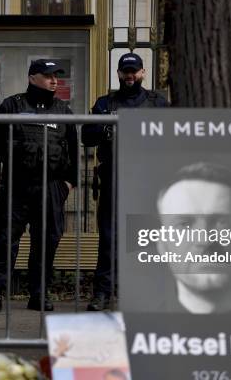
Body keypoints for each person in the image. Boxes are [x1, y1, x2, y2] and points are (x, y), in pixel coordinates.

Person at [0, 59, 78, 313]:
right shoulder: (12, 105)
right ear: (32, 77)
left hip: (51, 186)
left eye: (57, 76)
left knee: (46, 242)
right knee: (6, 240)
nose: (54, 80)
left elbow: (72, 148)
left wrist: (69, 182)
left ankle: (39, 294)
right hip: (17, 185)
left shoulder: (63, 110)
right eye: (48, 76)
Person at [83, 53, 169, 311]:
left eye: (134, 71)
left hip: (148, 179)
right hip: (114, 178)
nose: (130, 76)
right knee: (109, 237)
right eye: (125, 71)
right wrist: (104, 126)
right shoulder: (105, 103)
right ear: (118, 74)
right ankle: (102, 292)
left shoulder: (158, 104)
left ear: (143, 73)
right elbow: (87, 138)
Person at [155, 162, 231, 314]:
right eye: (184, 225)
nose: (205, 241)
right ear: (162, 246)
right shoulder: (126, 335)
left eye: (223, 223)